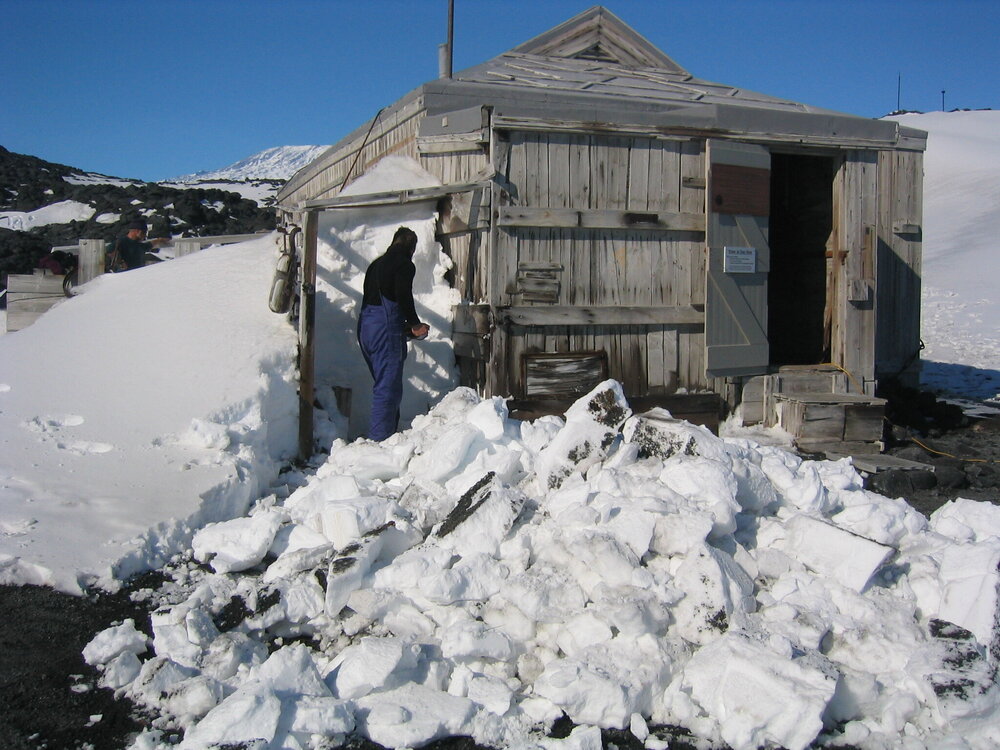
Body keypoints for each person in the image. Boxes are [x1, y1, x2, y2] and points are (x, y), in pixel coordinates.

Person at [357, 226, 430, 441]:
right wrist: (415, 324)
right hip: (384, 329)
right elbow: (402, 295)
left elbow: (378, 300)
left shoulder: (376, 265)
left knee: (384, 383)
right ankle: (380, 442)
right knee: (387, 389)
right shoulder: (404, 264)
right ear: (411, 247)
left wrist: (403, 328)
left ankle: (388, 435)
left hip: (366, 327)